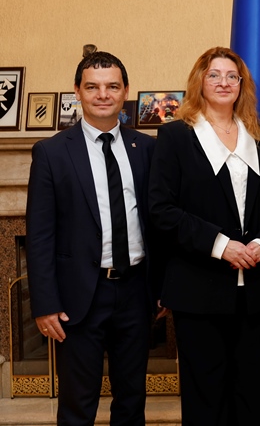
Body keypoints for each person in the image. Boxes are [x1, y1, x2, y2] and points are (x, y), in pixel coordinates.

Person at [148, 47, 260, 425]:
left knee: (256, 395)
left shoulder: (259, 138)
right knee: (207, 398)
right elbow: (161, 209)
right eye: (214, 75)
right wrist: (221, 245)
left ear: (242, 85)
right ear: (200, 82)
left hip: (256, 287)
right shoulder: (175, 137)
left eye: (231, 76)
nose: (223, 83)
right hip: (199, 288)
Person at [26, 51, 161, 425]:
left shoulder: (147, 148)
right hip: (78, 296)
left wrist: (162, 286)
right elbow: (40, 235)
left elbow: (159, 224)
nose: (103, 95)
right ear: (77, 91)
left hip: (136, 292)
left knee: (132, 400)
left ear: (125, 92)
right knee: (77, 404)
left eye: (112, 86)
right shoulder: (52, 152)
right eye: (93, 87)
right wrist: (44, 304)